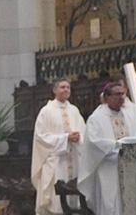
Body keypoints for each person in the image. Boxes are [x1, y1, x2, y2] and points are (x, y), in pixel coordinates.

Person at [79, 82, 136, 215]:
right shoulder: (96, 118)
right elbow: (94, 143)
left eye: (123, 94)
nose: (122, 97)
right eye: (117, 94)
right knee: (112, 205)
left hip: (131, 168)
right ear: (107, 97)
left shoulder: (132, 114)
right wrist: (119, 148)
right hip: (109, 169)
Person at [30, 79, 86, 215]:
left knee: (76, 202)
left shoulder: (74, 110)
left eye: (68, 87)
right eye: (62, 87)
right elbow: (40, 137)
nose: (66, 89)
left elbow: (83, 132)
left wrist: (79, 137)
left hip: (73, 158)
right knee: (55, 204)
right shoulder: (46, 111)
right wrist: (65, 138)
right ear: (54, 90)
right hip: (55, 162)